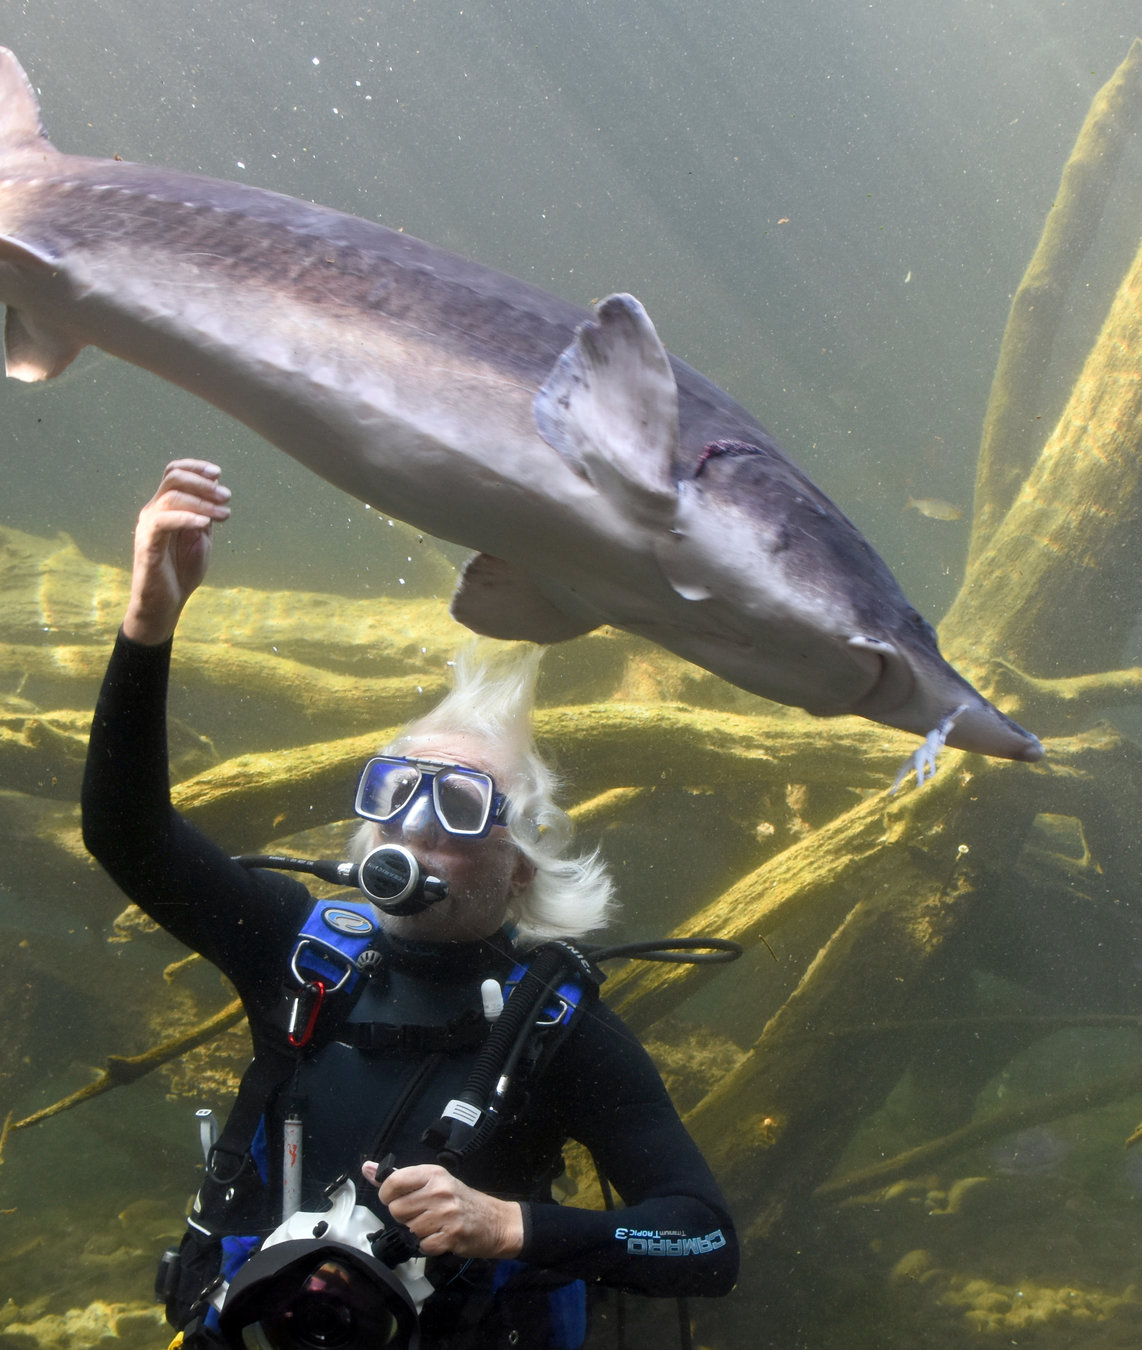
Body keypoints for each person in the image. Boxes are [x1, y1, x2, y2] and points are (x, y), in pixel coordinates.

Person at [83, 460, 738, 1349]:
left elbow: (704, 1239)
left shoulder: (558, 1026)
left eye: (462, 803)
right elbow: (126, 832)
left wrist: (512, 1226)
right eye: (394, 788)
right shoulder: (296, 948)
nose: (415, 822)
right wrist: (149, 619)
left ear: (520, 867)